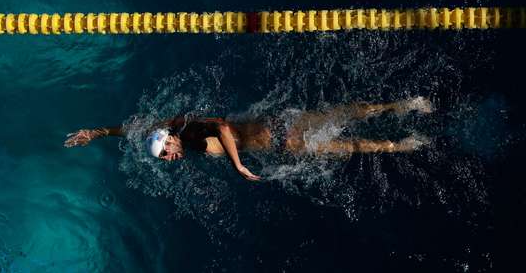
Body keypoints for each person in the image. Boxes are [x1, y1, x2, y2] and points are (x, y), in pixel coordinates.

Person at [64, 97, 432, 181]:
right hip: (276, 127)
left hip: (283, 141)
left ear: (172, 142)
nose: (168, 159)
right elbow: (135, 130)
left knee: (345, 141)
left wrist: (238, 165)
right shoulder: (174, 129)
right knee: (343, 116)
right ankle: (402, 111)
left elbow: (222, 125)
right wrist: (96, 133)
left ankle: (399, 137)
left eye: (166, 153)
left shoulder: (189, 136)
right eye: (163, 158)